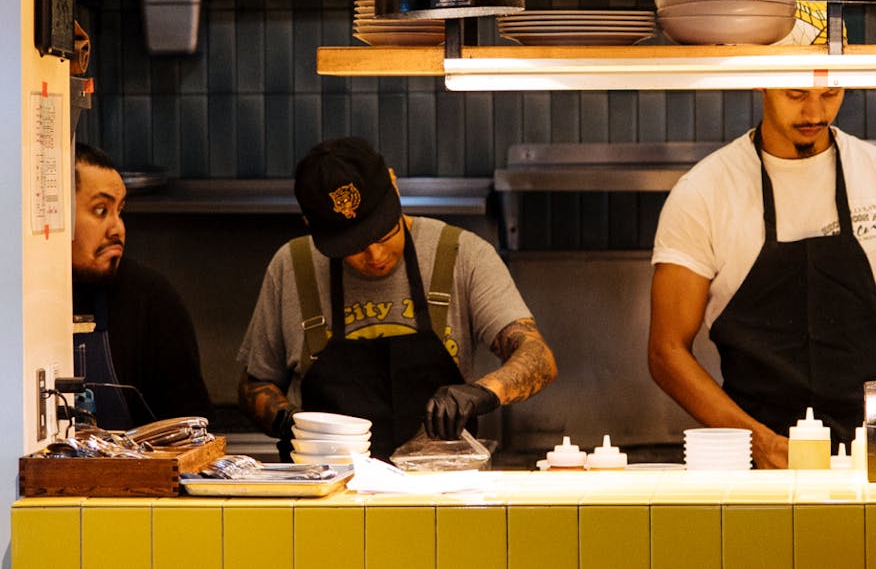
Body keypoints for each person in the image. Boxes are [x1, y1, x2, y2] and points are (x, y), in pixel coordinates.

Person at [648, 87, 876, 469]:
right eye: (795, 94)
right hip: (754, 462)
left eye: (830, 94)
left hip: (868, 459)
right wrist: (761, 445)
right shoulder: (704, 192)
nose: (814, 112)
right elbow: (665, 351)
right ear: (761, 82)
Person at [236, 137, 556, 460]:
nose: (375, 255)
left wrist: (483, 392)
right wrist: (291, 422)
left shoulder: (462, 255)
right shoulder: (292, 267)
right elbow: (253, 387)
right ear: (311, 225)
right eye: (353, 245)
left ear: (394, 185)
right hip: (327, 494)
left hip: (439, 491)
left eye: (383, 231)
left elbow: (538, 357)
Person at [71, 143, 212, 428]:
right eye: (100, 210)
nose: (117, 228)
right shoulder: (19, 302)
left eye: (119, 211)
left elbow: (191, 430)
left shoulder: (152, 299)